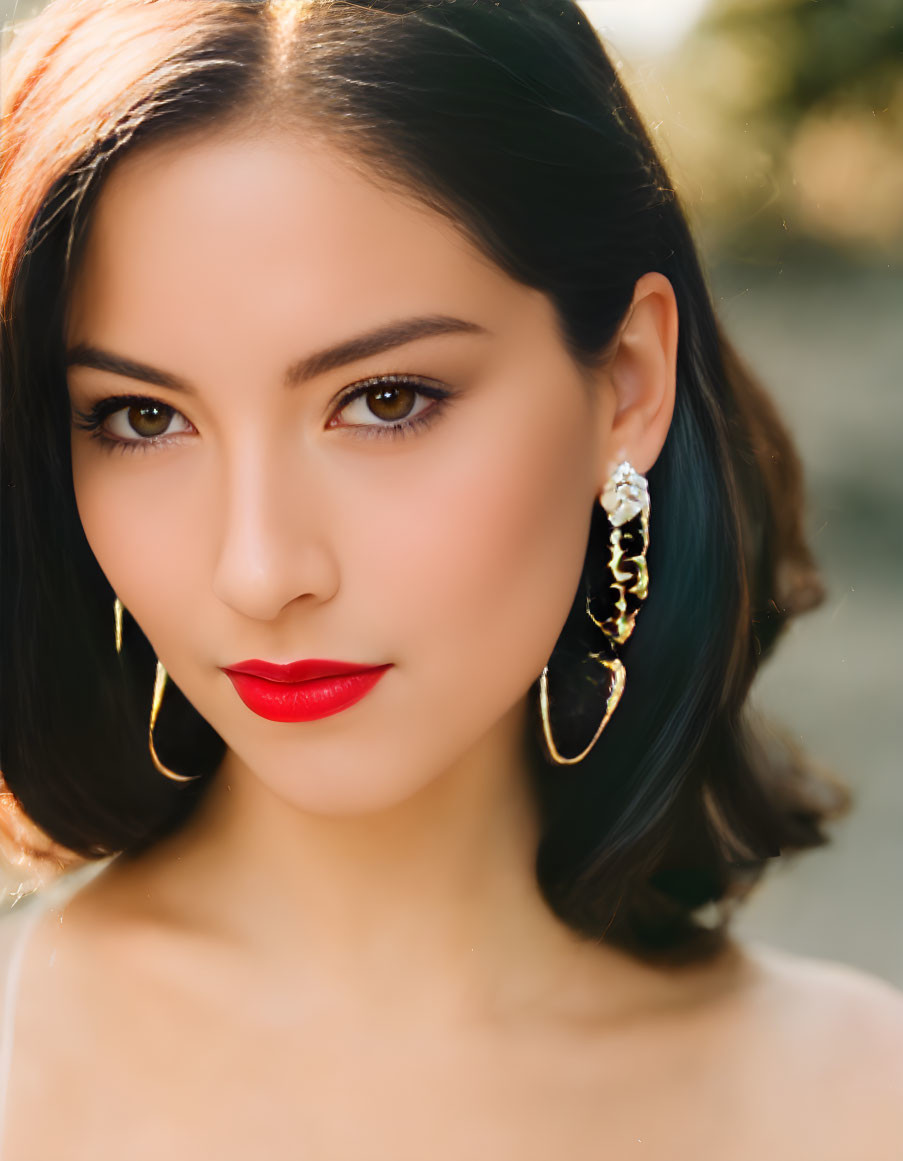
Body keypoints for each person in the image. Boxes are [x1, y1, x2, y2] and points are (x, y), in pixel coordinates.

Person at [0, 0, 900, 1156]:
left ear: (625, 385)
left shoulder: (860, 1100)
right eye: (142, 417)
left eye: (384, 400)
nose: (261, 570)